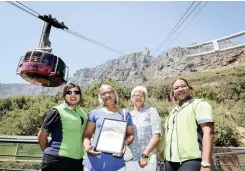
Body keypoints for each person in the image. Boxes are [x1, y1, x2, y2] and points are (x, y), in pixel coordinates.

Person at [164, 78, 214, 171]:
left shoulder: (199, 104)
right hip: (170, 162)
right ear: (173, 92)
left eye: (183, 86)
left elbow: (208, 132)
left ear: (189, 88)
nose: (180, 89)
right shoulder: (173, 112)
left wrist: (206, 163)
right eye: (176, 88)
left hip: (192, 160)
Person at [83, 84, 134, 171]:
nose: (107, 95)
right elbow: (87, 135)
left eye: (110, 92)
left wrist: (124, 145)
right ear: (101, 97)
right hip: (94, 161)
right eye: (103, 93)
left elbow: (130, 134)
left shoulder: (125, 114)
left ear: (115, 94)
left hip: (116, 163)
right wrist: (87, 148)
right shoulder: (95, 113)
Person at [38, 83, 87, 171]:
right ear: (64, 96)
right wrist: (50, 154)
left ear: (80, 95)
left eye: (76, 92)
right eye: (69, 92)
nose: (73, 94)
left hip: (77, 161)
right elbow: (42, 135)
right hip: (57, 160)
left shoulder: (83, 114)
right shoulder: (57, 111)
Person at [125, 85, 162, 171]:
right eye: (135, 95)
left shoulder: (151, 111)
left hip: (147, 157)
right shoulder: (127, 115)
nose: (138, 97)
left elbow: (157, 134)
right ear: (131, 98)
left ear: (144, 98)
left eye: (141, 96)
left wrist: (145, 154)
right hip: (130, 158)